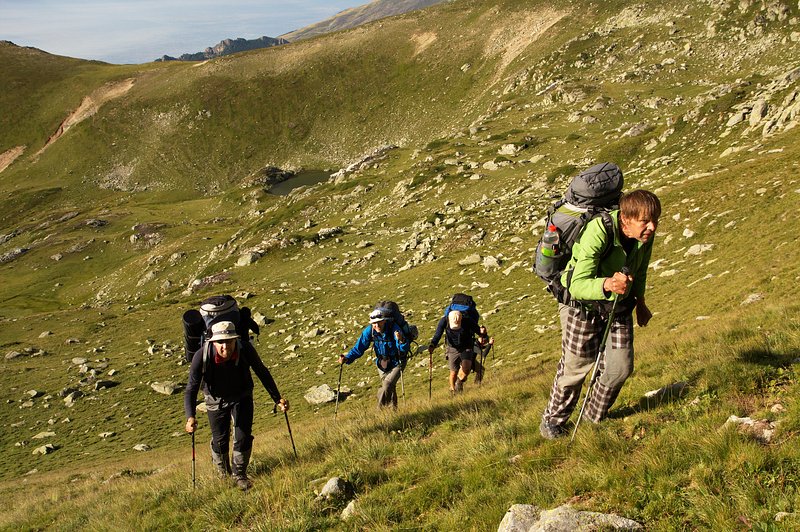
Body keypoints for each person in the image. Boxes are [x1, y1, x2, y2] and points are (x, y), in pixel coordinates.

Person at [540, 189, 661, 439]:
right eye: (645, 221)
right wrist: (607, 284)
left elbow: (640, 269)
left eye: (655, 220)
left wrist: (641, 301)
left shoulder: (644, 237)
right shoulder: (599, 230)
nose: (652, 226)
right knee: (575, 368)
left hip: (618, 305)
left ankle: (593, 418)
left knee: (620, 367)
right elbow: (577, 284)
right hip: (581, 306)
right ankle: (553, 422)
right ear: (626, 219)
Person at [184, 320, 289, 489]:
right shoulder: (201, 356)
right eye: (220, 342)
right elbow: (191, 389)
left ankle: (240, 474)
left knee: (243, 436)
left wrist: (277, 399)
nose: (225, 346)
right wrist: (190, 417)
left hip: (242, 395)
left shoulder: (245, 348)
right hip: (214, 399)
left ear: (235, 340)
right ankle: (223, 474)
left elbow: (262, 371)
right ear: (213, 342)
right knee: (220, 440)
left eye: (229, 341)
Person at [338, 307, 410, 409]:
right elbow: (359, 347)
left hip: (397, 362)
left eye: (379, 322)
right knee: (390, 389)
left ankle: (379, 412)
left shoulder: (394, 328)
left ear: (384, 321)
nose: (377, 325)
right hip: (382, 364)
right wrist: (347, 358)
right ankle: (393, 414)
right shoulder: (370, 331)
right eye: (374, 323)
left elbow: (404, 348)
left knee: (387, 385)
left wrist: (401, 340)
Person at [428, 309, 481, 394]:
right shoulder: (444, 320)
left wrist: (483, 334)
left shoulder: (467, 320)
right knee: (453, 372)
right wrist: (432, 344)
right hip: (452, 348)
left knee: (466, 369)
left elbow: (479, 332)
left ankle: (459, 382)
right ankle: (453, 391)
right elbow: (438, 334)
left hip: (466, 346)